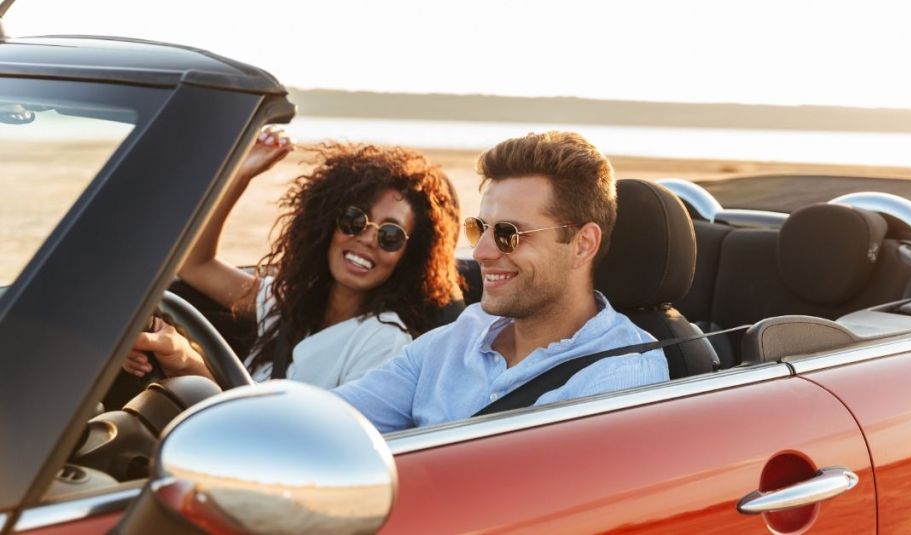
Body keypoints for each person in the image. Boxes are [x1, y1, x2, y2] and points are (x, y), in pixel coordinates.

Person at [334, 131, 668, 433]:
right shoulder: (452, 342)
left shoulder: (621, 379)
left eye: (509, 234)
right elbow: (330, 419)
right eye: (479, 229)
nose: (481, 252)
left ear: (583, 245)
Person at [124, 129, 463, 388]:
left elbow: (293, 441)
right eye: (354, 220)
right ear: (327, 224)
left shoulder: (383, 341)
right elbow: (195, 264)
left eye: (390, 236)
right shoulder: (284, 300)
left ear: (408, 256)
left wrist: (186, 363)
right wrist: (241, 173)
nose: (367, 239)